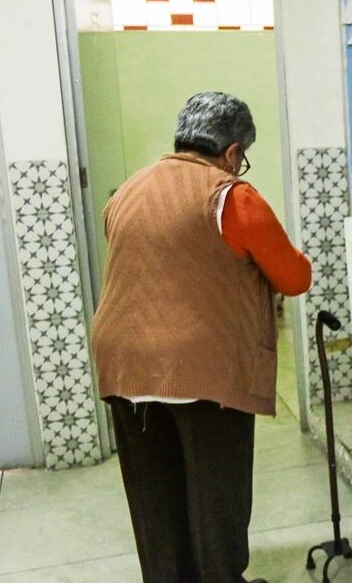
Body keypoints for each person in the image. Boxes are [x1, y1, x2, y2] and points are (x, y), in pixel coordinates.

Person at [92, 92, 311, 583]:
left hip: (124, 366)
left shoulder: (129, 187)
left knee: (154, 501)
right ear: (232, 152)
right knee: (217, 502)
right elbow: (294, 279)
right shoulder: (232, 196)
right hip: (202, 371)